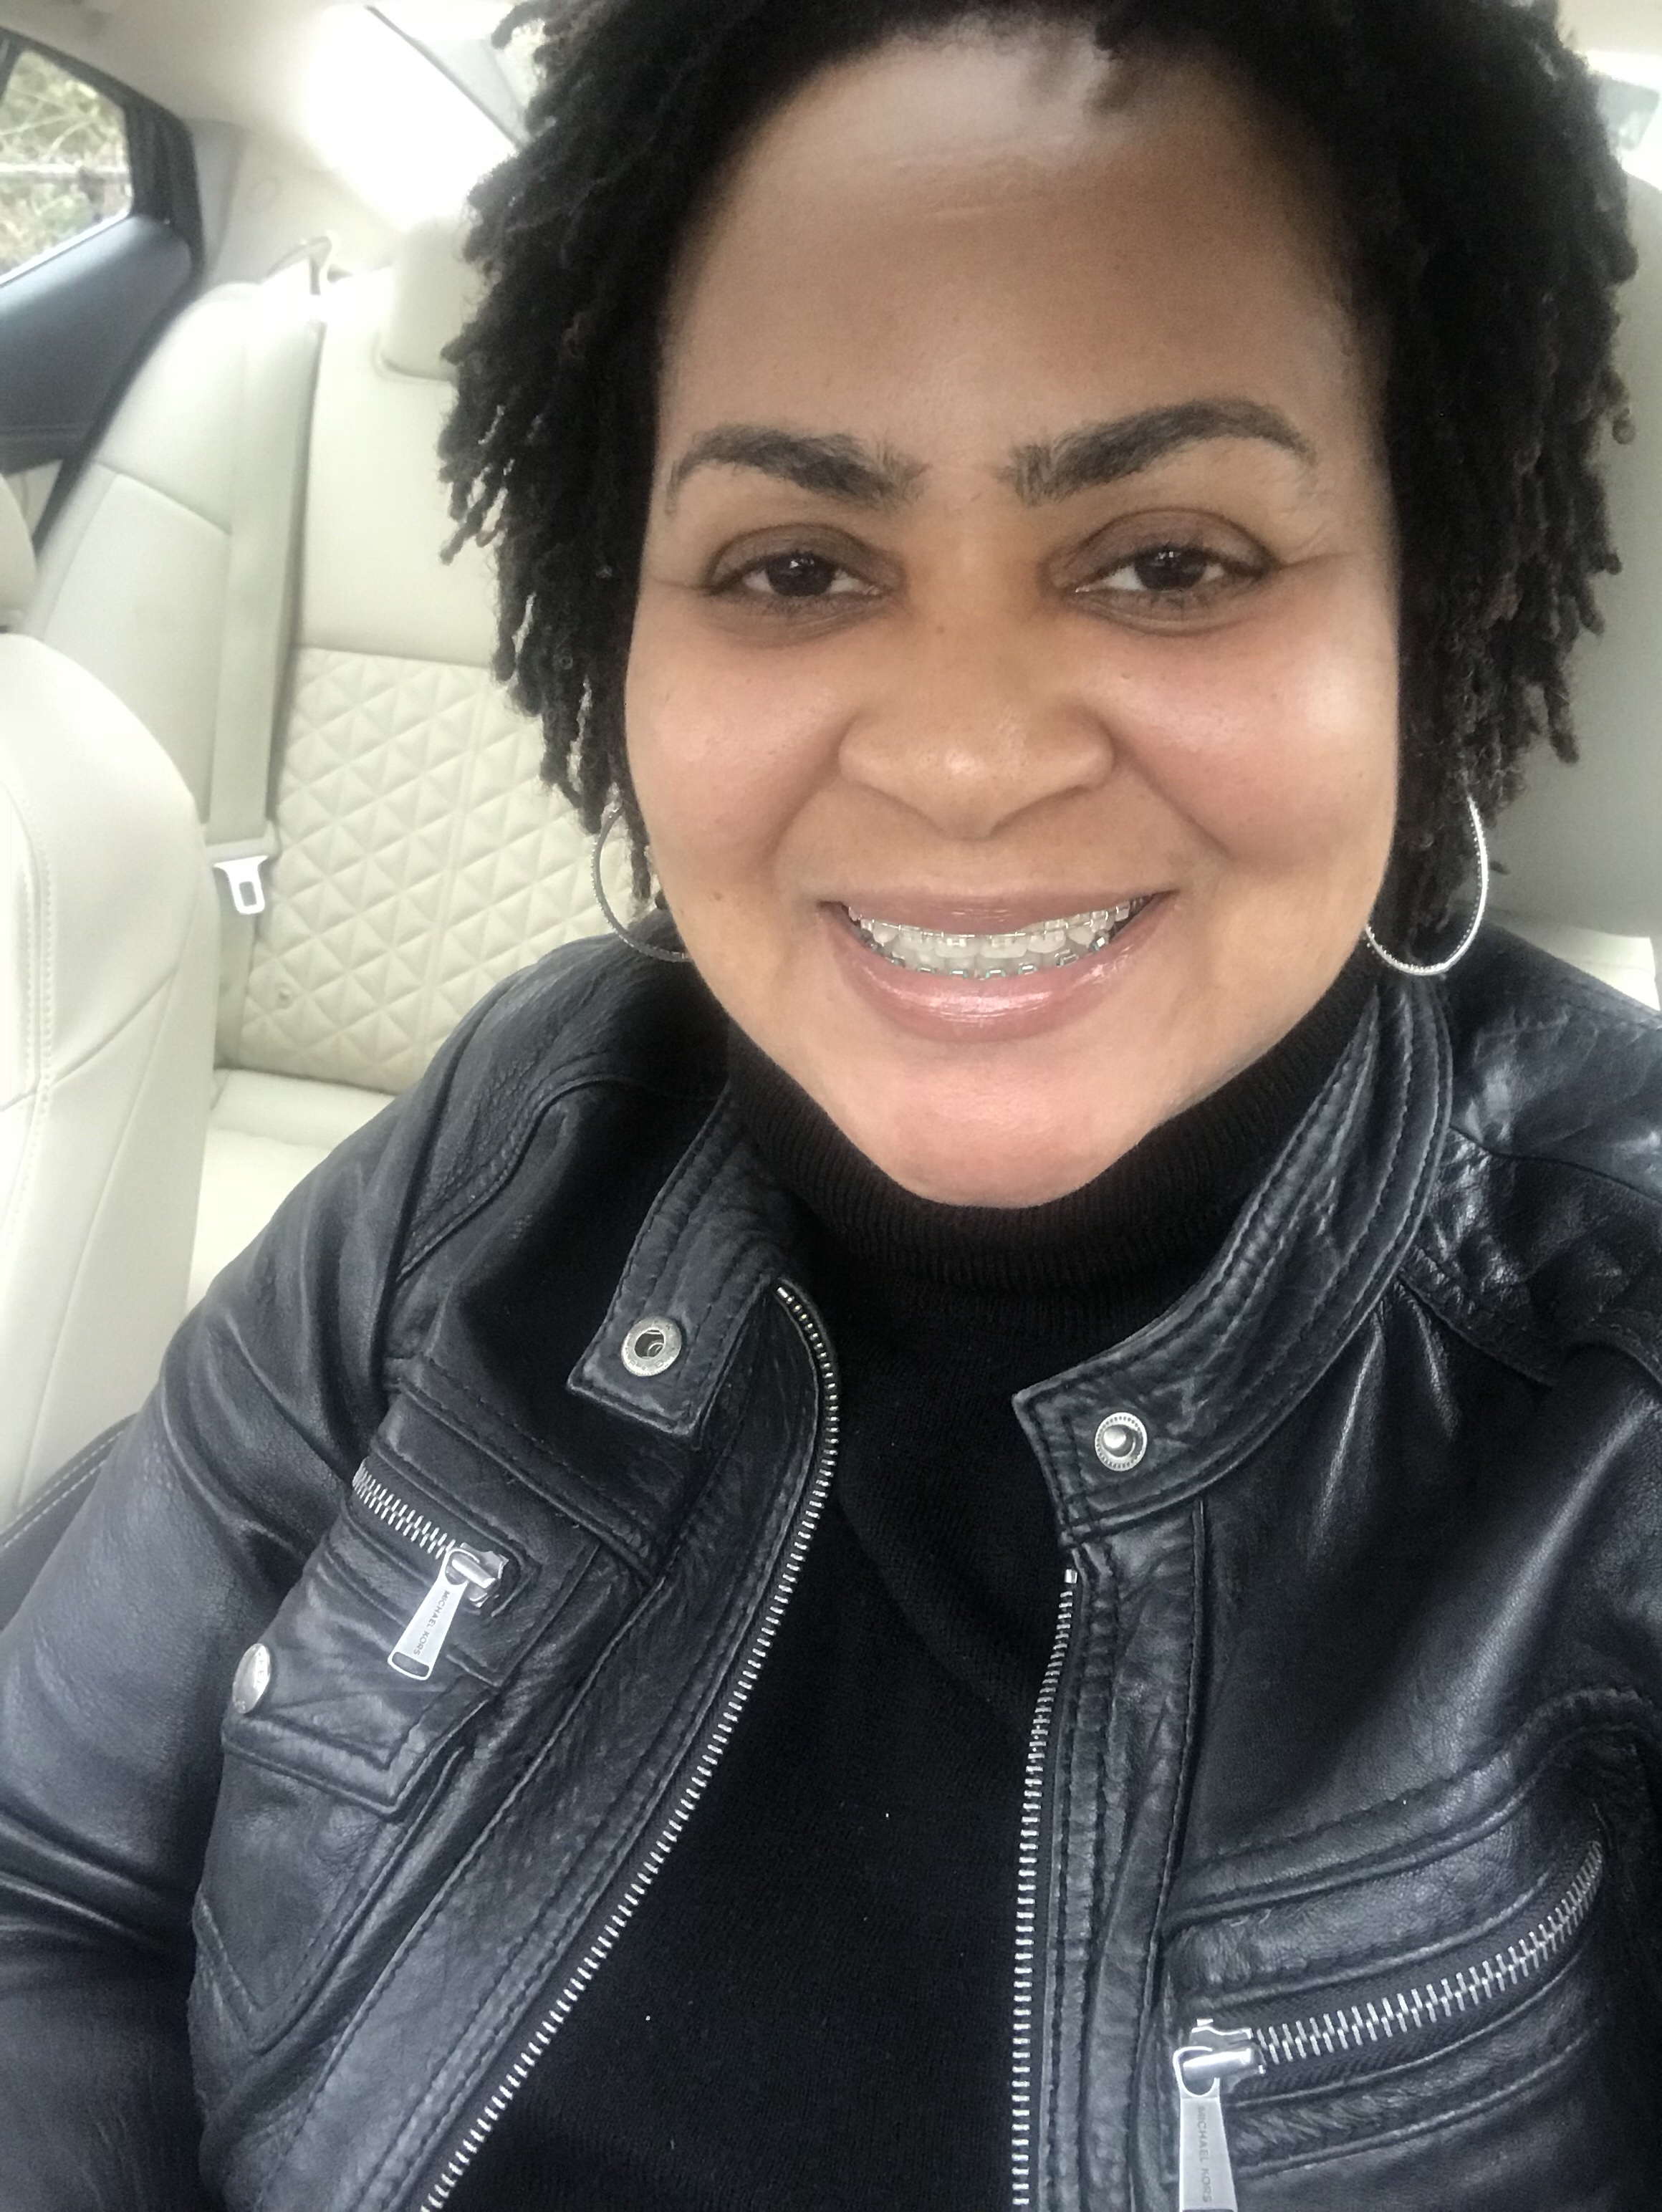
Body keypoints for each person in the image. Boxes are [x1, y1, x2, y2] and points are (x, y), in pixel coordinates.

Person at [0, 0, 1657, 2206]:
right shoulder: (526, 1125)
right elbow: (45, 1881)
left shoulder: (1615, 1378)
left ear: (1431, 608)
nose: (963, 760)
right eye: (796, 567)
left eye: (1171, 560)